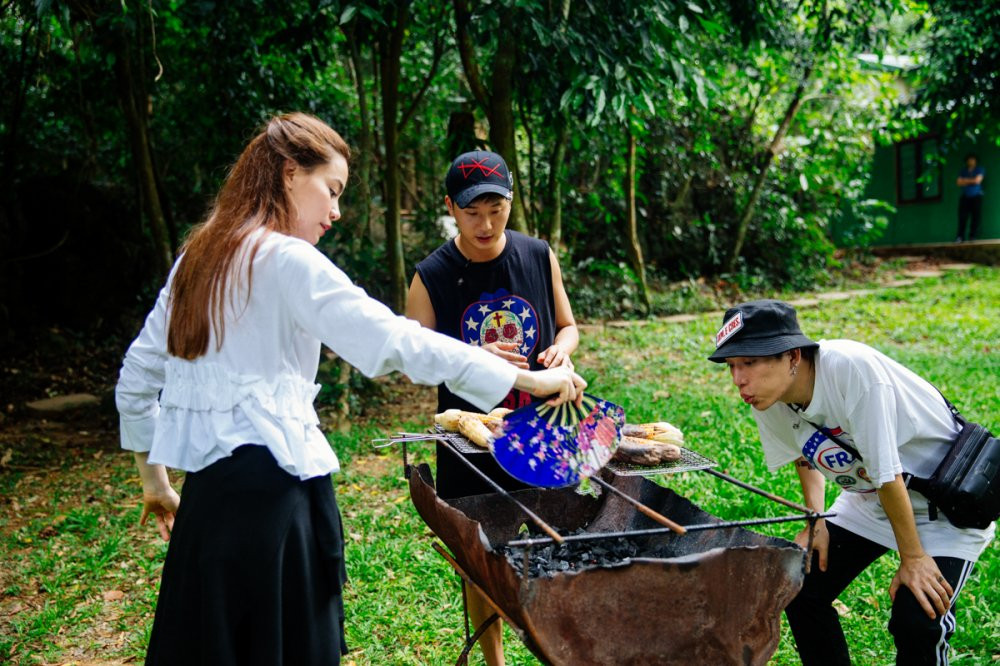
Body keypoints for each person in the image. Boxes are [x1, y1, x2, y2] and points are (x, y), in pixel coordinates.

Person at [115, 113, 586, 666]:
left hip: (206, 502)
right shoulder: (289, 259)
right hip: (275, 498)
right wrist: (529, 378)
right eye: (332, 189)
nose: (336, 211)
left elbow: (136, 379)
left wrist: (155, 482)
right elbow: (393, 339)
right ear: (290, 173)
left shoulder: (197, 259)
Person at [707, 300, 994, 666]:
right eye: (731, 365)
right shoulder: (768, 397)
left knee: (917, 620)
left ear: (792, 355)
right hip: (870, 501)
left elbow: (886, 473)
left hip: (944, 508)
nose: (738, 379)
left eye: (749, 362)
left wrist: (913, 558)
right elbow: (803, 454)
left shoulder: (850, 369)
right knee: (799, 588)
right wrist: (817, 519)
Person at [405, 150, 579, 666]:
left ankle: (560, 649)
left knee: (558, 543)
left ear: (510, 202)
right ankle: (495, 661)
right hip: (472, 440)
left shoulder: (537, 255)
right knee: (480, 561)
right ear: (450, 209)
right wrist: (472, 358)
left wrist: (561, 349)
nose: (485, 225)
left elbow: (568, 325)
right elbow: (416, 363)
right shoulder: (431, 275)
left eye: (496, 210)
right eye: (472, 213)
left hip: (542, 427)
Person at [956, 153, 984, 242]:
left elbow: (977, 181)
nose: (971, 161)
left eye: (973, 159)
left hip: (976, 196)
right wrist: (971, 180)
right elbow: (959, 182)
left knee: (975, 217)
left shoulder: (979, 169)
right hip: (965, 196)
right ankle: (960, 237)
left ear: (975, 161)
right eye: (969, 160)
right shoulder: (963, 171)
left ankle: (973, 236)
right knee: (962, 217)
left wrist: (965, 180)